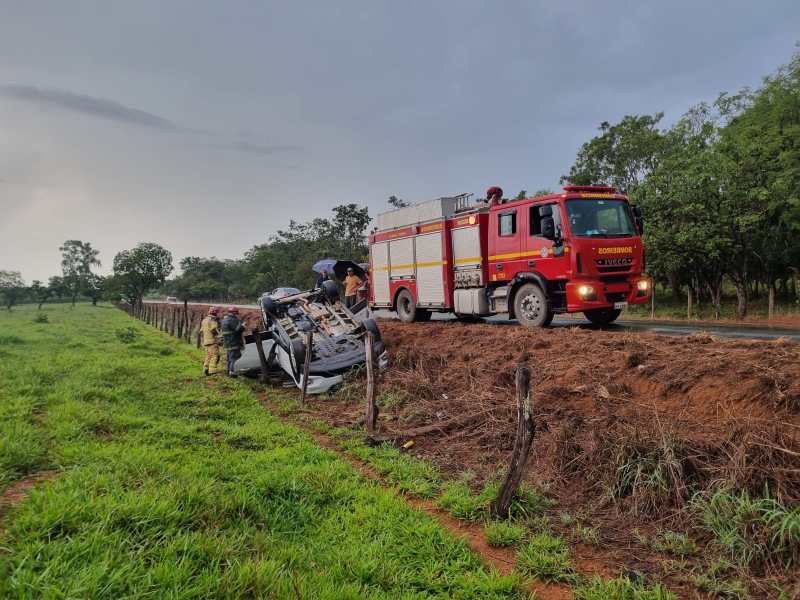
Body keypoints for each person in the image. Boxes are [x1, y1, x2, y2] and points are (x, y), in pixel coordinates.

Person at [221, 306, 245, 377]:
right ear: (234, 313)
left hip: (227, 342)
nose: (237, 315)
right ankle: (232, 372)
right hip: (233, 342)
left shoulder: (224, 320)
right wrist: (243, 326)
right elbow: (237, 330)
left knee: (229, 358)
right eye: (236, 313)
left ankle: (228, 371)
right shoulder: (233, 320)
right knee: (235, 357)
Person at [200, 306, 222, 376]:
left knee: (208, 356)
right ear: (215, 313)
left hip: (206, 341)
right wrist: (220, 337)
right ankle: (212, 371)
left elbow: (201, 331)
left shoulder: (204, 320)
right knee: (215, 355)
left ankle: (206, 368)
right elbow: (214, 330)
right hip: (212, 342)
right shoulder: (212, 320)